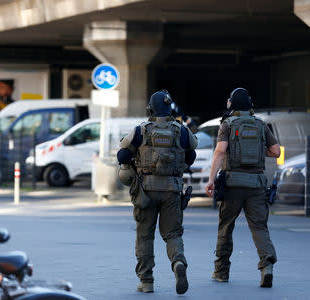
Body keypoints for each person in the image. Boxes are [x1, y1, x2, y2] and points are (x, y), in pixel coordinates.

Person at [117, 90, 198, 295]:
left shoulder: (141, 130)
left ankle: (147, 281)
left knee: (145, 236)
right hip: (171, 190)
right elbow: (191, 157)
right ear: (170, 108)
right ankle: (178, 262)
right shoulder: (182, 131)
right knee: (172, 234)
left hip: (146, 190)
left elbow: (122, 155)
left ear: (150, 109)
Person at [204, 88, 281, 288]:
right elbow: (275, 151)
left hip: (233, 184)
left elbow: (220, 152)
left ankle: (221, 272)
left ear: (232, 104)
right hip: (256, 184)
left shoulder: (228, 124)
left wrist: (211, 179)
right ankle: (267, 266)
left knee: (226, 227)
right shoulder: (260, 124)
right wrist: (255, 150)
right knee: (259, 227)